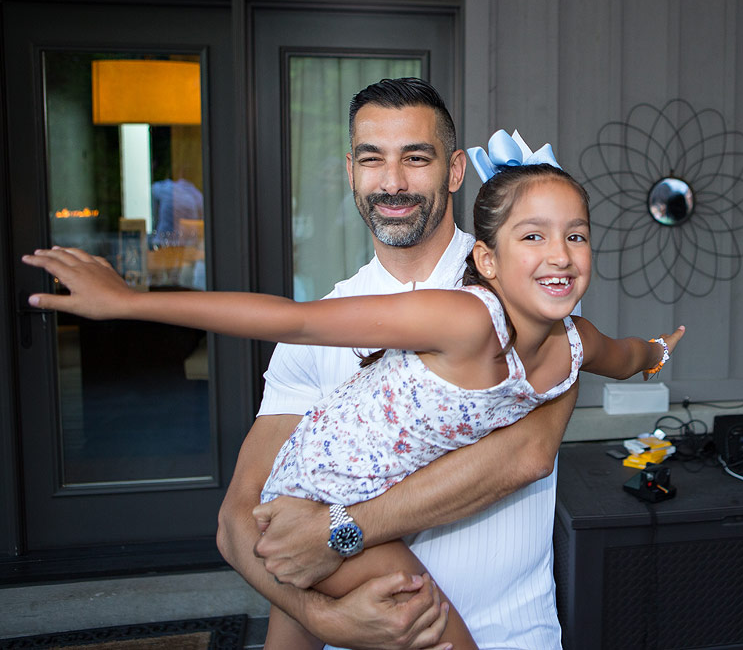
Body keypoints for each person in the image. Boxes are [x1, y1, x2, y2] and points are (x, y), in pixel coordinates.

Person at [23, 163, 685, 650]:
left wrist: (657, 351)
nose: (560, 255)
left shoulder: (573, 343)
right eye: (533, 237)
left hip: (367, 501)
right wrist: (131, 302)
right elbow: (295, 319)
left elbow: (624, 354)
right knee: (433, 627)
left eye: (577, 236)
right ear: (487, 258)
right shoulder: (463, 319)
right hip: (313, 493)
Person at [222, 79, 570, 650]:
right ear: (351, 172)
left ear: (454, 171)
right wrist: (323, 620)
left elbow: (525, 456)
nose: (392, 182)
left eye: (415, 158)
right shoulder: (319, 328)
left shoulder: (522, 282)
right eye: (371, 159)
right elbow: (238, 519)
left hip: (510, 634)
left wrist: (341, 530)